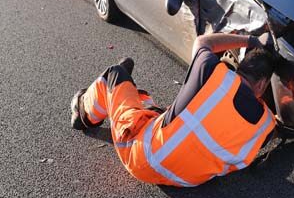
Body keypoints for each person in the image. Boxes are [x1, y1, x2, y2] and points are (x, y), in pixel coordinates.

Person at [70, 32, 277, 187]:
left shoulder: (212, 74)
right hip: (188, 179)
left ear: (240, 66)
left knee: (114, 75)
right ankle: (133, 95)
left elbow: (203, 42)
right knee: (158, 113)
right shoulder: (266, 125)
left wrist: (249, 40)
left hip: (142, 159)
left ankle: (84, 113)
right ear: (262, 85)